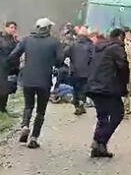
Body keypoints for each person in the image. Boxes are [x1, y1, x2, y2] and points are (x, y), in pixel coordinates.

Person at [8, 18, 63, 149]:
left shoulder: (27, 40)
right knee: (41, 111)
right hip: (44, 80)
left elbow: (13, 55)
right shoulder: (54, 42)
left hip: (28, 79)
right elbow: (60, 60)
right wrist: (53, 63)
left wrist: (18, 68)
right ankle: (34, 137)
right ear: (48, 28)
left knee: (28, 106)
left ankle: (25, 125)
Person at [86, 28, 129, 158]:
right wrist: (124, 87)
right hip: (108, 88)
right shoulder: (116, 48)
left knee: (102, 117)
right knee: (118, 114)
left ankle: (99, 147)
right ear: (121, 37)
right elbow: (123, 68)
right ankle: (99, 141)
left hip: (93, 86)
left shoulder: (99, 47)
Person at [65, 26, 93, 115]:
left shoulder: (73, 44)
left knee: (75, 89)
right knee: (83, 88)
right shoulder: (90, 45)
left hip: (74, 71)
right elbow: (93, 58)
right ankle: (81, 103)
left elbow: (65, 54)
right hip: (86, 71)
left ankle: (77, 105)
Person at [0, 21, 19, 114]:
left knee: (7, 88)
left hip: (11, 68)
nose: (13, 30)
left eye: (14, 28)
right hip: (2, 66)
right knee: (2, 87)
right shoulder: (1, 39)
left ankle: (3, 107)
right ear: (6, 28)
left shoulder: (14, 40)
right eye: (11, 27)